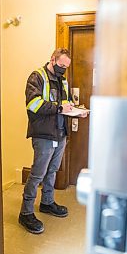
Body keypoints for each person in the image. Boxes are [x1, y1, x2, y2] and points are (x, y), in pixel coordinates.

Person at [19, 48, 88, 234]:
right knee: (37, 174)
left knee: (53, 170)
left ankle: (47, 203)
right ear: (52, 59)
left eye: (66, 67)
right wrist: (60, 108)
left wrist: (75, 111)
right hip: (43, 134)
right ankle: (25, 212)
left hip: (60, 132)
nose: (63, 69)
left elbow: (64, 104)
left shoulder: (62, 80)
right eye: (61, 65)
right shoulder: (37, 77)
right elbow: (33, 104)